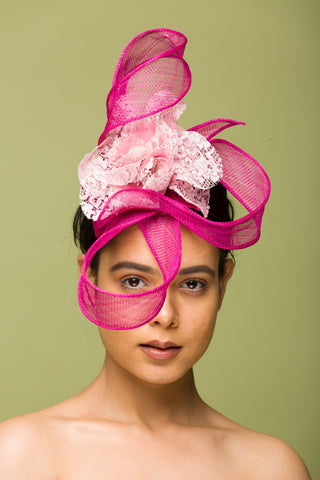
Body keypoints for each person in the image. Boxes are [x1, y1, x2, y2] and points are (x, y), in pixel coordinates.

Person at [0, 28, 311, 479]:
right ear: (90, 280)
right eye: (133, 280)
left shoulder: (269, 468)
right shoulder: (19, 457)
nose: (164, 314)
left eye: (192, 284)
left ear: (223, 284)